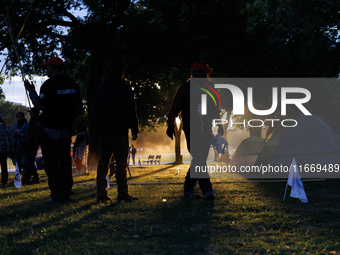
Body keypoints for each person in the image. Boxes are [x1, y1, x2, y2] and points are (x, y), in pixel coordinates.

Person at [24, 56, 82, 203]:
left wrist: (31, 90)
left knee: (51, 164)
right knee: (65, 163)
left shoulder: (48, 85)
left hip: (49, 130)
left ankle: (57, 194)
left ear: (53, 68)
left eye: (48, 67)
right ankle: (67, 192)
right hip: (66, 130)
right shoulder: (73, 84)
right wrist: (69, 120)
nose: (46, 69)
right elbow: (79, 108)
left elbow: (40, 105)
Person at [166, 61, 220, 200]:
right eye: (193, 71)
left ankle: (188, 190)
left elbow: (215, 108)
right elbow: (174, 109)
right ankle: (207, 190)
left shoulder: (210, 87)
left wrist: (220, 124)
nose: (195, 74)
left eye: (198, 71)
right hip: (191, 129)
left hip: (206, 129)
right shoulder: (184, 88)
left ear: (204, 74)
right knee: (200, 159)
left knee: (199, 160)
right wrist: (170, 125)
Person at [93, 59, 139, 203]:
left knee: (103, 162)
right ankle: (122, 193)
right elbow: (130, 110)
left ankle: (101, 193)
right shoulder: (124, 88)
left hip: (104, 132)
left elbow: (94, 112)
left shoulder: (99, 88)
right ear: (122, 72)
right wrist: (134, 129)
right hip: (119, 130)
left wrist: (96, 130)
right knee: (120, 163)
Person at [24, 107, 41, 184]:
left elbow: (37, 137)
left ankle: (34, 177)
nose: (30, 114)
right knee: (29, 162)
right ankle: (30, 177)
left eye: (32, 112)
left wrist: (34, 148)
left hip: (32, 145)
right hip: (28, 144)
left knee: (30, 162)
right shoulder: (32, 121)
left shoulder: (38, 122)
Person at [12, 111, 29, 183]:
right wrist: (14, 134)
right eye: (18, 116)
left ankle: (25, 178)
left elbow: (28, 134)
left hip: (24, 147)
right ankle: (18, 178)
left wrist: (21, 134)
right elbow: (11, 133)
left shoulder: (26, 125)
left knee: (24, 162)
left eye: (21, 116)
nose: (20, 118)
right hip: (16, 147)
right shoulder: (15, 125)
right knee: (17, 163)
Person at [0, 113, 14, 185]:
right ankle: (4, 182)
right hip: (4, 150)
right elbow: (11, 138)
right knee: (4, 166)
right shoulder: (7, 126)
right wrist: (12, 149)